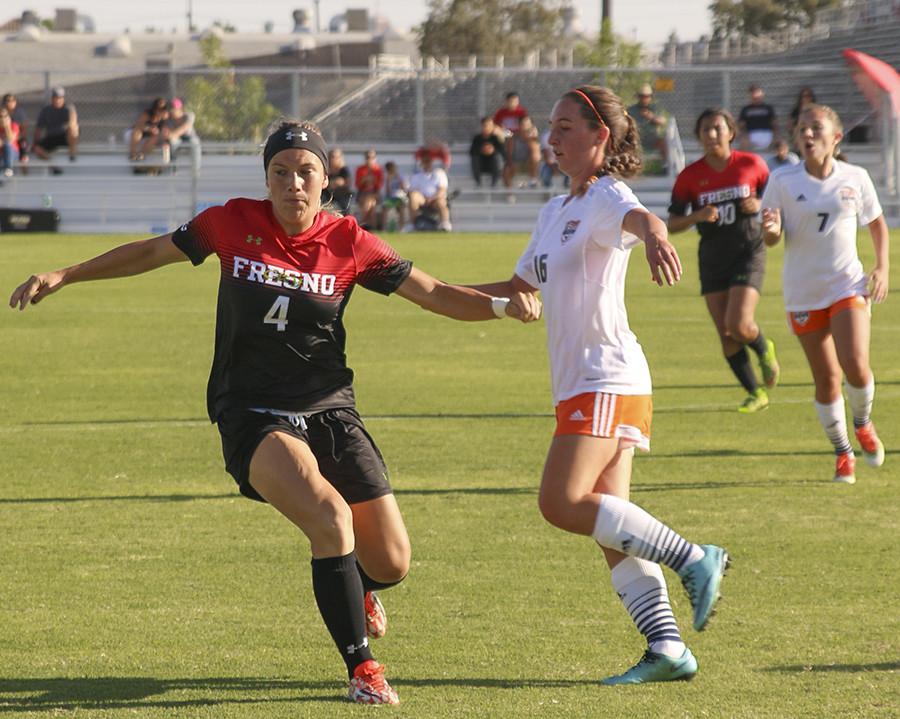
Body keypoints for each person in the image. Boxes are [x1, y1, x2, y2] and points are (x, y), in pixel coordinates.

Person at [8, 118, 542, 705]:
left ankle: (356, 587)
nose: (293, 183)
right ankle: (362, 668)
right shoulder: (230, 222)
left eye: (305, 171)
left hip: (330, 408)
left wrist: (498, 309)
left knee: (391, 560)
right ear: (266, 179)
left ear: (325, 178)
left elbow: (436, 292)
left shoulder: (351, 241)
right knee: (330, 518)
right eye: (280, 172)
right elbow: (150, 251)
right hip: (253, 411)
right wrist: (68, 273)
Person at [468, 85, 730, 685]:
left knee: (560, 503)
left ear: (599, 137)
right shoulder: (554, 211)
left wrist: (659, 235)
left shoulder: (609, 196)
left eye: (564, 127)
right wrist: (426, 289)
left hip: (606, 377)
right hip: (587, 384)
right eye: (550, 126)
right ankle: (667, 647)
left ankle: (696, 557)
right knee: (613, 530)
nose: (550, 138)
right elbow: (517, 289)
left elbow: (642, 217)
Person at [760, 104, 888, 484]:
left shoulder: (856, 177)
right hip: (802, 292)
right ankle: (842, 451)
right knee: (827, 379)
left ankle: (863, 423)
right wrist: (770, 229)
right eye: (802, 129)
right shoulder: (782, 180)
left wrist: (882, 267)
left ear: (836, 136)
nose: (808, 134)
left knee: (855, 362)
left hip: (846, 285)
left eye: (816, 128)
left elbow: (877, 224)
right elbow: (770, 237)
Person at [667, 108, 780, 413]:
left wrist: (758, 203)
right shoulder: (689, 176)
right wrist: (696, 216)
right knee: (726, 335)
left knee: (739, 324)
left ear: (731, 132)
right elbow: (672, 224)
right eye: (705, 129)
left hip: (747, 250)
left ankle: (763, 347)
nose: (712, 134)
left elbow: (776, 200)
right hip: (713, 257)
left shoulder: (751, 164)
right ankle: (756, 392)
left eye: (718, 128)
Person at [404, 149, 451, 232]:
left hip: (435, 199)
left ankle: (445, 223)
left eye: (428, 161)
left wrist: (433, 198)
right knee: (413, 196)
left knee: (441, 201)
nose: (427, 163)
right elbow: (412, 190)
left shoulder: (439, 173)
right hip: (422, 199)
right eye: (425, 161)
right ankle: (412, 224)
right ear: (421, 163)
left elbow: (442, 190)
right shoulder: (416, 176)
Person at [33, 86, 79, 164]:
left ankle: (72, 154)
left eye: (60, 98)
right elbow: (38, 129)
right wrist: (36, 142)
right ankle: (53, 164)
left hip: (65, 137)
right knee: (37, 149)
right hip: (52, 137)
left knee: (73, 129)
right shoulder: (46, 110)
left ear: (63, 98)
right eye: (55, 98)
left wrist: (72, 114)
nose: (58, 100)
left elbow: (73, 123)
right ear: (52, 98)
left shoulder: (69, 108)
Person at [627, 83, 668, 166]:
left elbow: (663, 121)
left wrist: (651, 117)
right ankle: (631, 166)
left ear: (650, 97)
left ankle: (665, 165)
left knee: (663, 142)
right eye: (642, 96)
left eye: (647, 96)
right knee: (627, 143)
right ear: (638, 97)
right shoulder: (632, 109)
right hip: (637, 137)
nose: (644, 98)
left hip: (652, 137)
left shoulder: (655, 108)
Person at [129, 97, 170, 162]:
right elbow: (138, 125)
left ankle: (141, 155)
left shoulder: (165, 117)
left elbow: (164, 131)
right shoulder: (147, 114)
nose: (161, 111)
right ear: (154, 109)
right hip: (139, 132)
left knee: (155, 138)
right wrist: (149, 128)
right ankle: (132, 154)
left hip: (150, 136)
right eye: (159, 109)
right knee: (137, 132)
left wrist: (163, 139)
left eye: (163, 109)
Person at [738, 84, 777, 151]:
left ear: (762, 94)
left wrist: (776, 136)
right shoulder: (746, 109)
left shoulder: (768, 108)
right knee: (743, 141)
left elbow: (774, 124)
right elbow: (741, 126)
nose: (755, 95)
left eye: (757, 92)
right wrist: (744, 135)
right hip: (751, 134)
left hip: (767, 133)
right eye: (753, 93)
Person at [469, 116, 504, 188]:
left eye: (490, 125)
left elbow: (502, 152)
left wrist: (493, 150)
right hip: (481, 165)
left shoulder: (496, 138)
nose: (487, 128)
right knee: (475, 158)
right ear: (482, 126)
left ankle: (494, 184)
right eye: (485, 126)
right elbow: (472, 151)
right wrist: (482, 150)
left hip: (493, 165)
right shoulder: (477, 138)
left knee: (496, 157)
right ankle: (478, 183)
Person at [354, 149, 384, 230]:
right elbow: (357, 185)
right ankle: (372, 228)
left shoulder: (378, 170)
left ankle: (361, 225)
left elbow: (380, 185)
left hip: (374, 193)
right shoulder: (360, 169)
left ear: (375, 158)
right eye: (368, 157)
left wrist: (374, 180)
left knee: (370, 200)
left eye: (372, 157)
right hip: (363, 193)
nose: (370, 159)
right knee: (372, 204)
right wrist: (364, 180)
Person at [379, 161, 408, 231]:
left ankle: (402, 227)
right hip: (390, 198)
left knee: (401, 206)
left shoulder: (401, 176)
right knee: (385, 207)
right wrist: (388, 181)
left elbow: (405, 189)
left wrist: (399, 180)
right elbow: (387, 192)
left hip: (400, 197)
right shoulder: (386, 178)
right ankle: (384, 228)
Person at [2, 93, 29, 167]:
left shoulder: (20, 113)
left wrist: (15, 138)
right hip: (5, 138)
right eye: (8, 101)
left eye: (13, 100)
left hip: (17, 137)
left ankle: (23, 157)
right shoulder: (2, 113)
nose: (11, 103)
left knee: (23, 143)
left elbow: (23, 130)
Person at [326, 147, 353, 215]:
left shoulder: (344, 170)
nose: (333, 159)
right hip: (328, 196)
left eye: (336, 157)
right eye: (332, 157)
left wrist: (340, 183)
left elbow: (348, 183)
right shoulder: (326, 170)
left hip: (342, 197)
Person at [0, 105, 21, 177]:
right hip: (1, 154)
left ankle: (9, 168)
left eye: (5, 116)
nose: (3, 118)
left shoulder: (14, 125)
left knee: (7, 145)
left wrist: (6, 126)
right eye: (1, 116)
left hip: (13, 153)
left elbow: (11, 139)